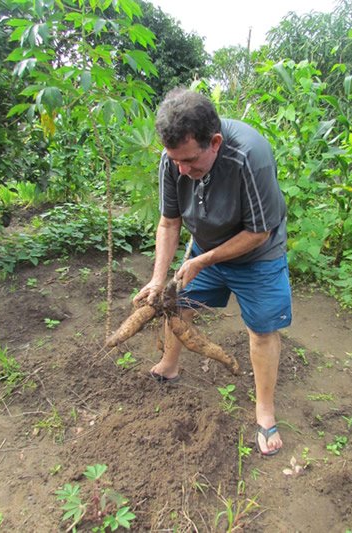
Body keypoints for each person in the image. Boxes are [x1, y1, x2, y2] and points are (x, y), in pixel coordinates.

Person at [134, 88, 292, 456]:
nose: (182, 170)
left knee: (262, 329)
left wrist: (203, 260)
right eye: (176, 162)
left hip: (258, 253)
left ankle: (265, 411)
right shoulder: (173, 159)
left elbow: (259, 231)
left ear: (215, 142)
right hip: (204, 246)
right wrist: (159, 279)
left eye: (190, 161)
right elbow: (169, 222)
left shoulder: (250, 156)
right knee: (176, 305)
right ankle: (169, 365)